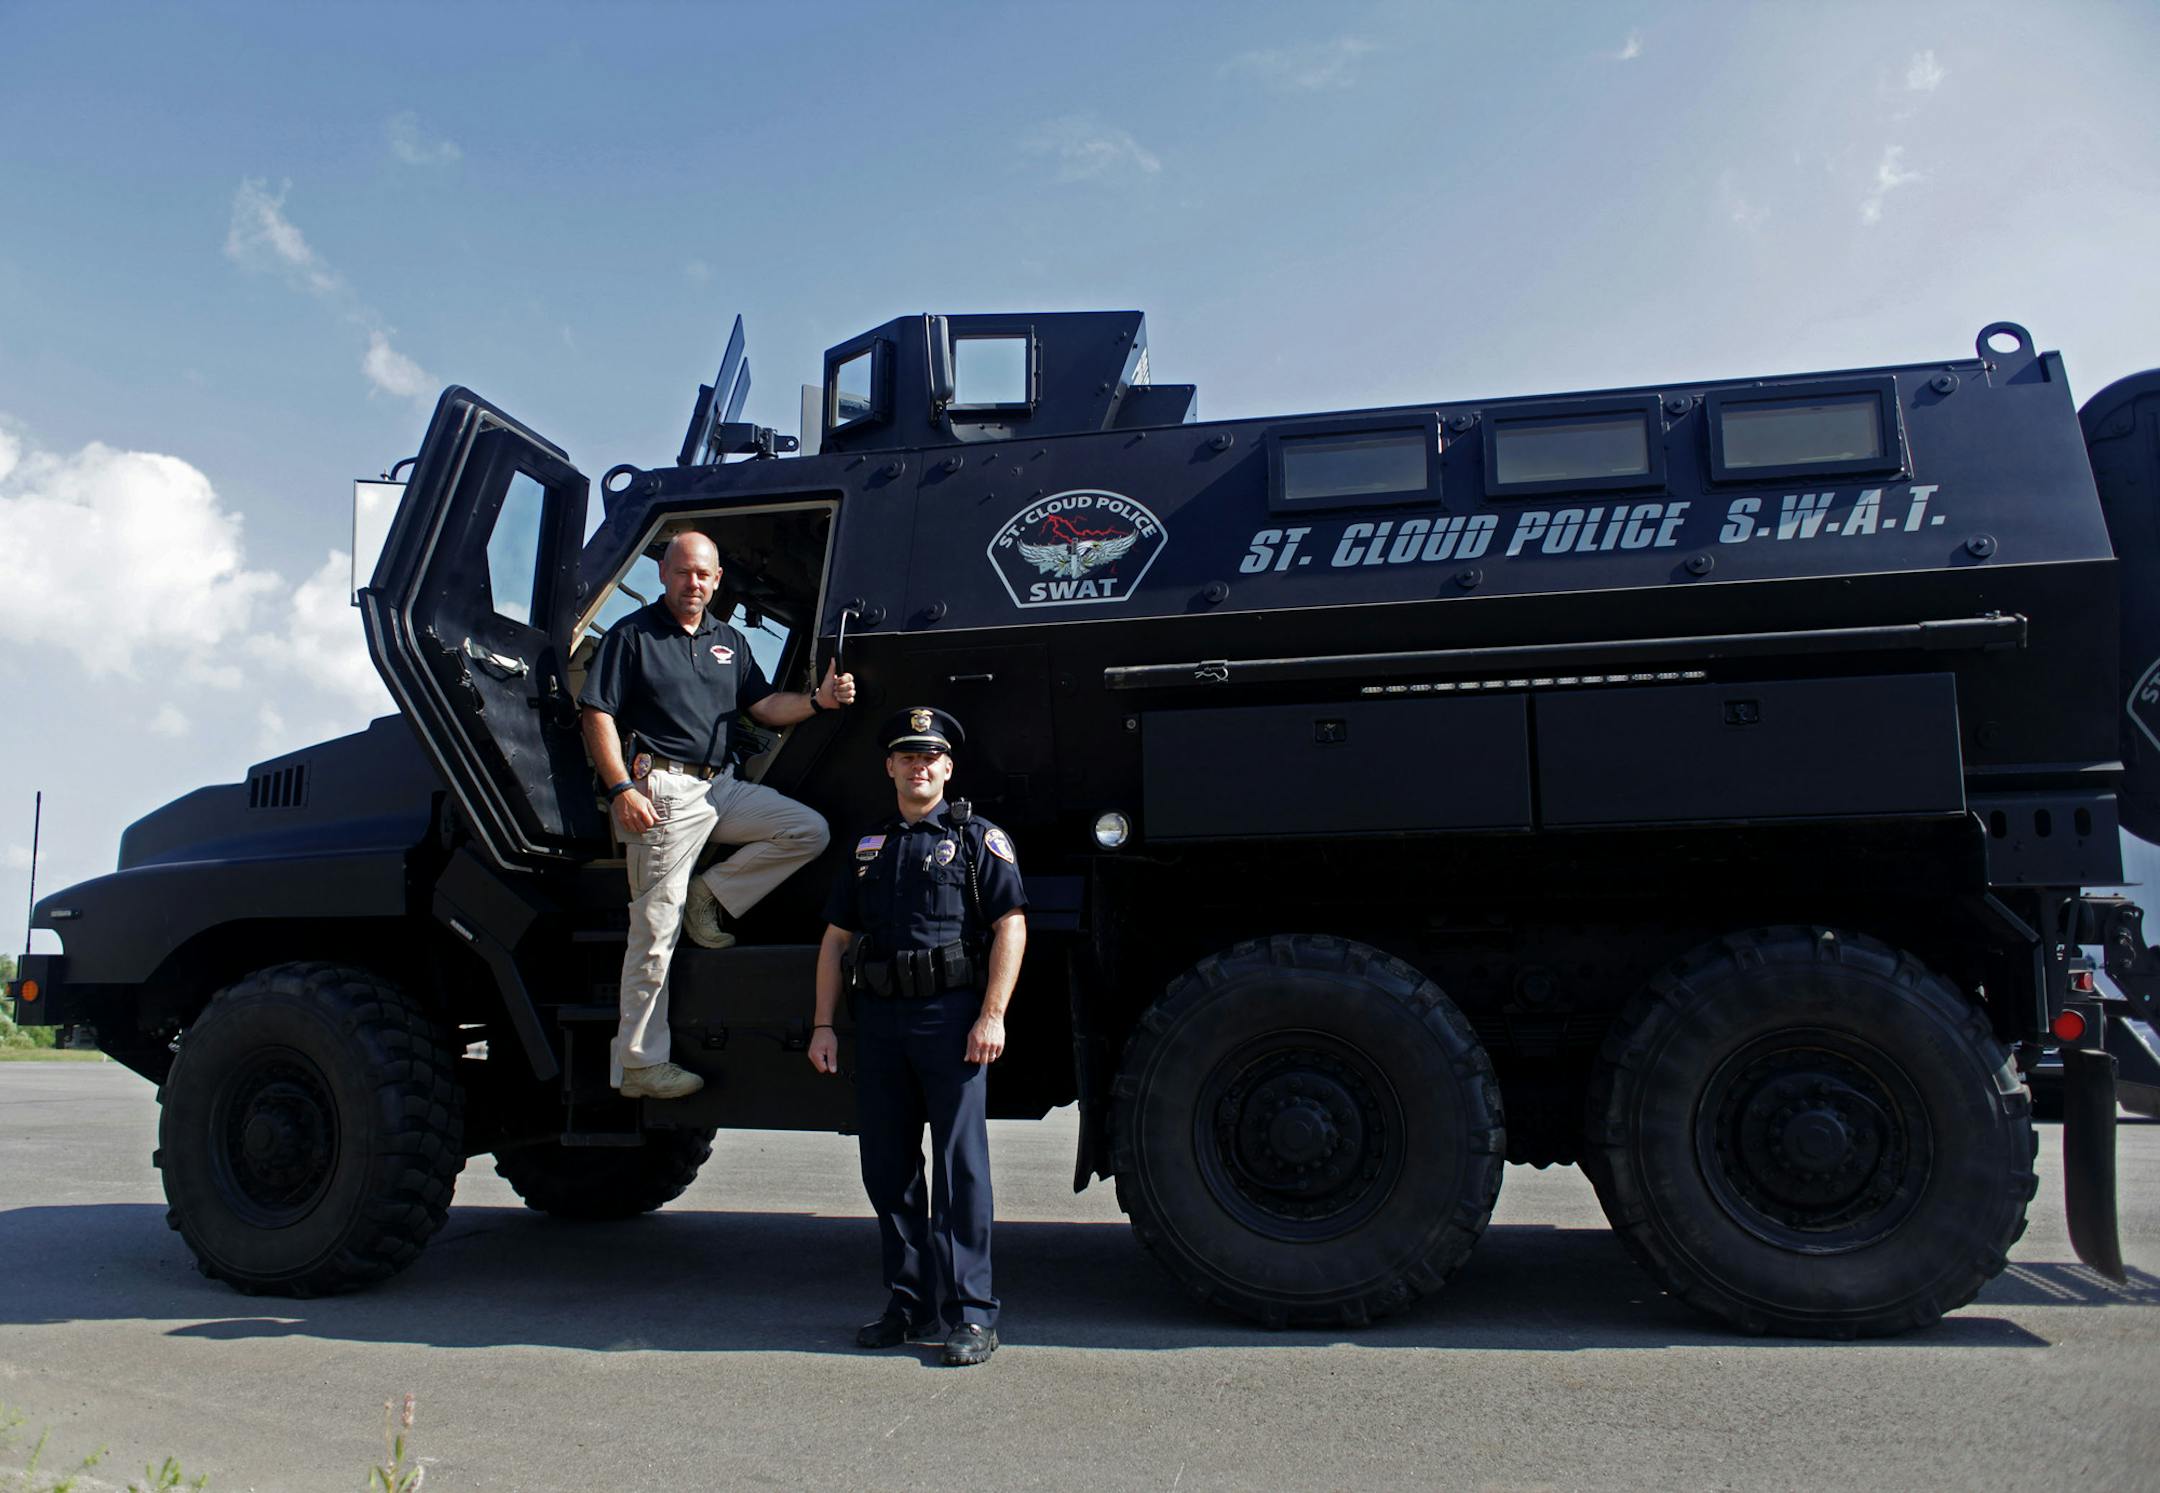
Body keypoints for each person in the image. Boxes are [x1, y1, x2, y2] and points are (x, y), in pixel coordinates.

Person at [579, 530, 854, 1101]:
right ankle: (639, 1063)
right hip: (662, 791)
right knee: (654, 931)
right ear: (663, 574)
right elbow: (597, 715)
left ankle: (712, 894)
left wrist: (819, 700)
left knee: (806, 830)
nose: (693, 583)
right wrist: (623, 788)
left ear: (717, 579)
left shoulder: (728, 641)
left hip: (718, 787)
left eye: (703, 574)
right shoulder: (633, 635)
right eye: (683, 572)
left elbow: (763, 707)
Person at [807, 707, 1026, 1367]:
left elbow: (1010, 924)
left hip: (950, 1019)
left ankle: (971, 1313)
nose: (919, 765)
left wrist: (993, 1013)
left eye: (930, 756)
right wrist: (823, 1022)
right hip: (879, 1023)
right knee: (888, 1167)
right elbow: (836, 940)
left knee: (961, 1169)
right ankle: (908, 1303)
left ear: (948, 767)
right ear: (891, 767)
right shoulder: (870, 846)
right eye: (907, 755)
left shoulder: (977, 837)